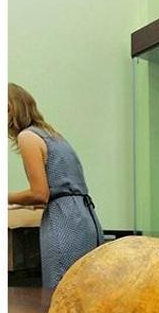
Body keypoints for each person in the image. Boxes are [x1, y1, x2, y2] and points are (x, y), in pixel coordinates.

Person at [8, 83, 103, 288]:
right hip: (85, 218)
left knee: (60, 291)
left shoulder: (28, 137)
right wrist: (21, 203)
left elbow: (40, 194)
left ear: (10, 109)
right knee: (85, 289)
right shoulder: (52, 135)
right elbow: (55, 191)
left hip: (64, 222)